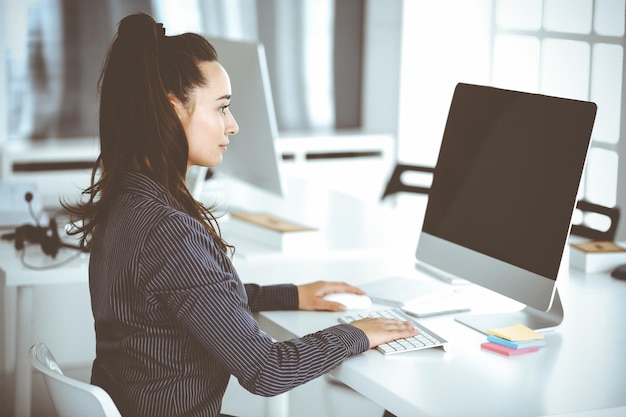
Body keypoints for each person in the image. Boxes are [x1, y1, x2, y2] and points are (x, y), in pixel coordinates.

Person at [65, 12, 415, 417]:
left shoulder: (128, 200)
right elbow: (267, 370)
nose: (232, 125)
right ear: (172, 108)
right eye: (221, 108)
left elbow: (194, 297)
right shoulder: (168, 232)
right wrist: (355, 333)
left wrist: (291, 295)